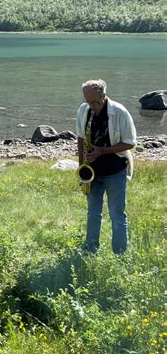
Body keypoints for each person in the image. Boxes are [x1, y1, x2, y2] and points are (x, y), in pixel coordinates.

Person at [76, 79, 136, 254]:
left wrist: (102, 151)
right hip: (92, 172)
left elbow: (130, 143)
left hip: (114, 171)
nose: (91, 106)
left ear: (104, 96)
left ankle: (119, 254)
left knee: (117, 215)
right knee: (93, 214)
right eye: (88, 102)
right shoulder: (84, 110)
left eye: (95, 102)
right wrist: (81, 167)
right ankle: (90, 249)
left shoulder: (120, 112)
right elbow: (80, 137)